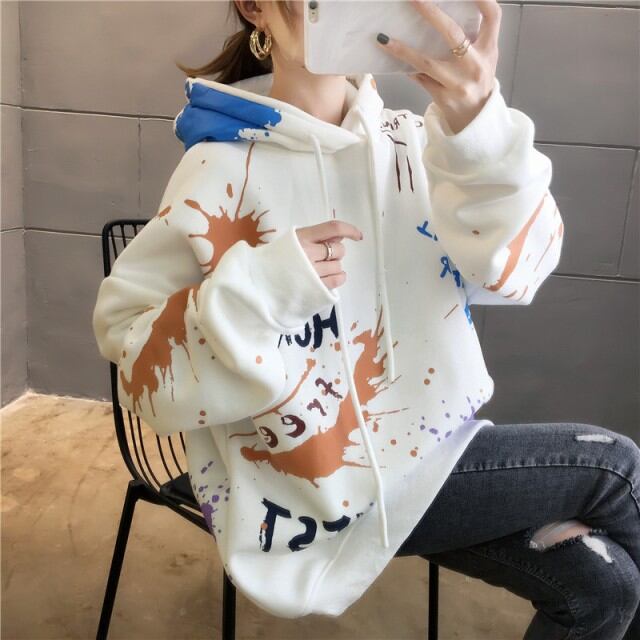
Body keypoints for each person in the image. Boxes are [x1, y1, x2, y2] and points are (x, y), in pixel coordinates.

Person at [91, 1, 640, 637]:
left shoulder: (417, 144)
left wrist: (481, 133)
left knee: (604, 587)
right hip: (310, 493)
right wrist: (263, 289)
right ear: (255, 8)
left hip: (437, 454)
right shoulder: (218, 167)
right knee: (615, 468)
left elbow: (517, 273)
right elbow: (134, 356)